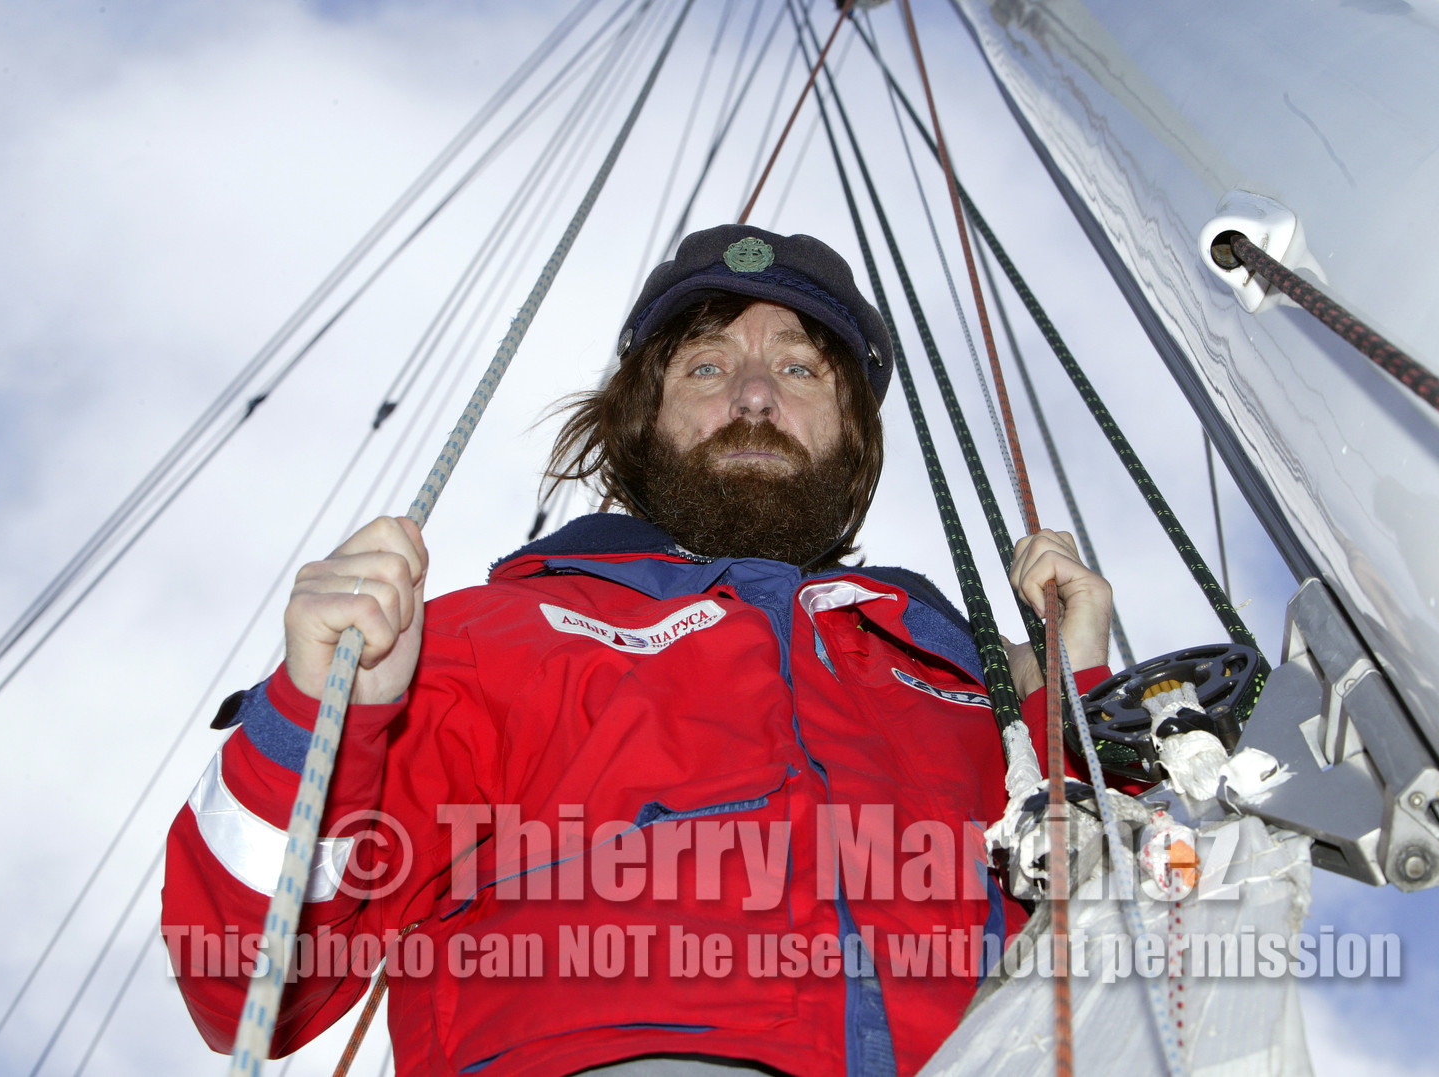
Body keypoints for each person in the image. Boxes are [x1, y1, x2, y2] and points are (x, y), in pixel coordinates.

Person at [163, 225, 1114, 1077]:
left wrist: (1077, 701)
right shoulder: (489, 639)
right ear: (641, 419)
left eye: (800, 369)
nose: (753, 395)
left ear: (853, 435)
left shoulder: (974, 677)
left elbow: (1138, 913)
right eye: (705, 366)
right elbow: (244, 980)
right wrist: (320, 712)